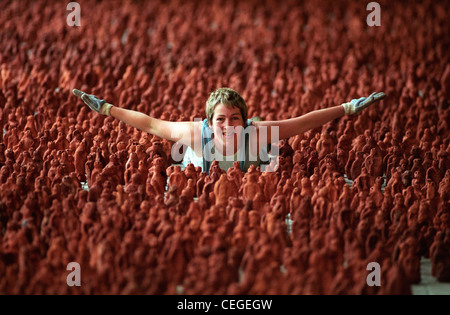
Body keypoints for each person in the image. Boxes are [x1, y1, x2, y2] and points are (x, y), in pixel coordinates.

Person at [73, 87, 385, 173]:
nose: (229, 125)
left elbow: (303, 122)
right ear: (208, 122)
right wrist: (106, 109)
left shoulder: (258, 133)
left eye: (235, 118)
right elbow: (152, 123)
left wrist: (348, 108)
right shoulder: (195, 134)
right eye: (221, 119)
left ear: (246, 121)